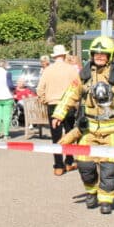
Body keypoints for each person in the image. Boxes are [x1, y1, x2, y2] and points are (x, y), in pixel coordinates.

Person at [51, 36, 114, 214]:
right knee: (85, 166)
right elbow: (71, 94)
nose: (99, 56)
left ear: (110, 55)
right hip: (88, 128)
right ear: (91, 54)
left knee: (109, 168)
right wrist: (59, 113)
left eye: (103, 53)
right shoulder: (83, 76)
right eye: (96, 53)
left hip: (112, 128)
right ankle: (91, 191)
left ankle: (106, 200)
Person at [36, 44, 79, 176]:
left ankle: (58, 166)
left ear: (54, 56)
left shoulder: (47, 70)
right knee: (70, 134)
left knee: (56, 136)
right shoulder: (71, 69)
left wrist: (44, 100)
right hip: (68, 104)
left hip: (53, 104)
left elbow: (39, 89)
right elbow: (78, 86)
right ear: (65, 55)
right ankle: (69, 161)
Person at [0, 59, 15, 139]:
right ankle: (6, 134)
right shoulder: (7, 73)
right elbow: (10, 85)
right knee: (6, 116)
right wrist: (14, 90)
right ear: (5, 65)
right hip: (7, 97)